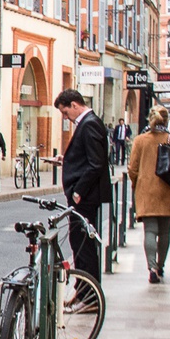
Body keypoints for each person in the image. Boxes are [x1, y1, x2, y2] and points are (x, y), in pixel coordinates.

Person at [127, 106, 170, 284]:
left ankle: (152, 268)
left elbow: (133, 168)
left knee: (150, 231)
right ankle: (161, 266)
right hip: (168, 191)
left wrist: (137, 183)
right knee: (165, 232)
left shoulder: (140, 140)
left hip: (147, 191)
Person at [55, 89, 110, 293]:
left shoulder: (89, 124)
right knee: (80, 243)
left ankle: (88, 295)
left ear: (74, 105)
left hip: (84, 198)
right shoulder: (88, 123)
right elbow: (88, 158)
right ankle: (85, 292)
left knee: (83, 245)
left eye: (65, 112)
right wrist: (66, 159)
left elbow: (96, 163)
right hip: (84, 196)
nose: (65, 117)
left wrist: (78, 191)